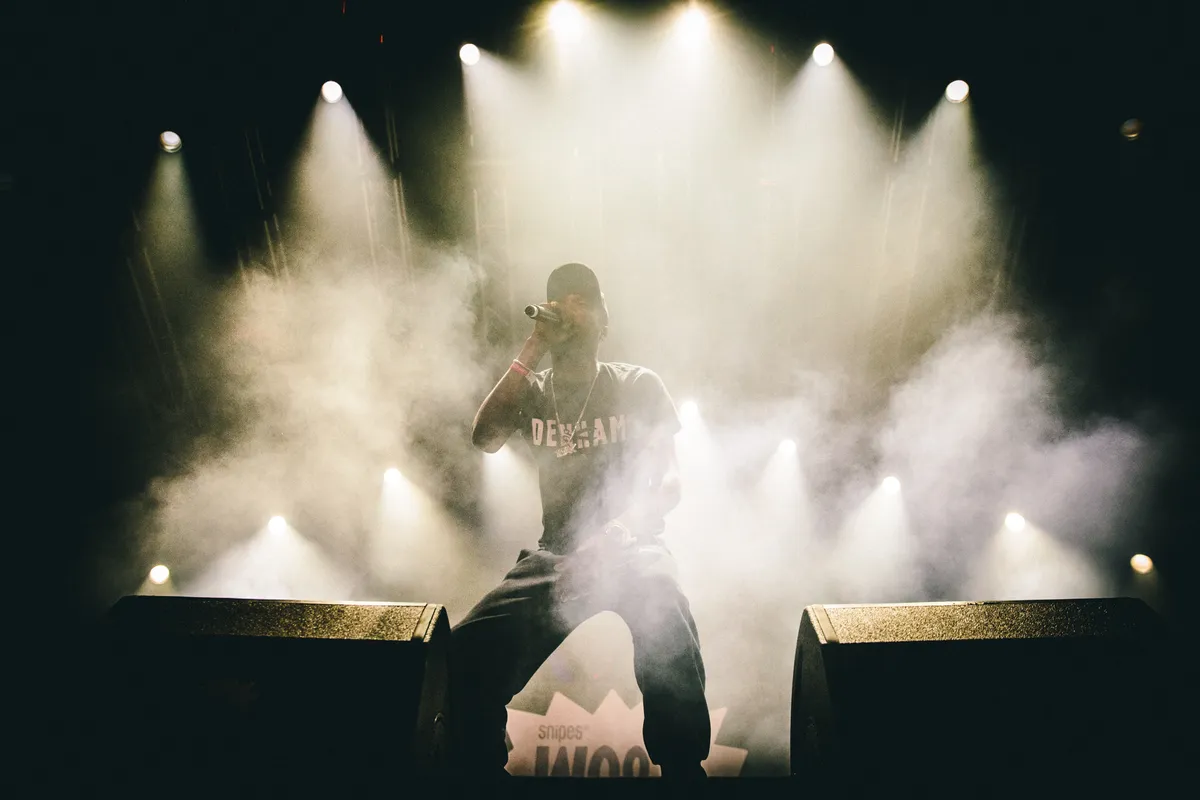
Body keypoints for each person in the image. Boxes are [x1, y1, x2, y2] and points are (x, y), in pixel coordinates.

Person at [452, 262, 710, 779]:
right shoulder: (533, 389)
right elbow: (485, 438)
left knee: (665, 602)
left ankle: (683, 767)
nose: (571, 308)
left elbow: (668, 483)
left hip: (631, 544)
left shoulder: (636, 384)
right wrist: (533, 347)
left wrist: (615, 532)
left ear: (603, 319)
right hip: (558, 554)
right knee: (458, 656)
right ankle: (479, 767)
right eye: (561, 299)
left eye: (584, 300)